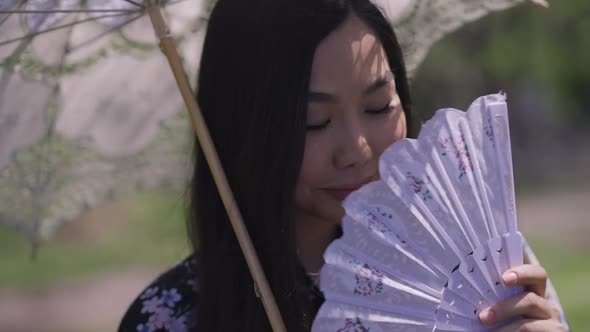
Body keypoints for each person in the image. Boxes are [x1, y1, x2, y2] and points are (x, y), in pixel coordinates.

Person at [119, 0, 568, 331]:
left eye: (378, 106)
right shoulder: (170, 317)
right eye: (314, 122)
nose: (357, 149)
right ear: (244, 130)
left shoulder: (480, 262)